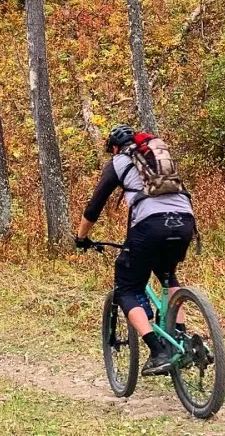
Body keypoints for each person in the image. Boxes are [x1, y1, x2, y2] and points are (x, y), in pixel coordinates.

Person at [75, 123, 196, 376]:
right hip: (185, 221)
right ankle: (182, 340)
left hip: (150, 225)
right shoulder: (158, 157)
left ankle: (158, 350)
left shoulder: (119, 162)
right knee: (167, 274)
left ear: (116, 147)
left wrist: (81, 237)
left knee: (127, 288)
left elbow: (95, 206)